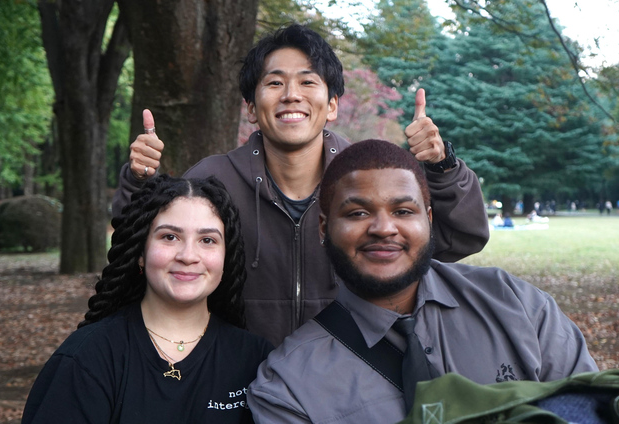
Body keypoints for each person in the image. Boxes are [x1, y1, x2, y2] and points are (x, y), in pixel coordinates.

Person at [112, 24, 489, 346]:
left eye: (308, 81)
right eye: (274, 82)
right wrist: (141, 182)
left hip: (355, 376)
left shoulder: (370, 176)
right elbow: (138, 254)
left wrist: (442, 167)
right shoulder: (212, 181)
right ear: (251, 107)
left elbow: (463, 237)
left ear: (332, 105)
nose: (291, 94)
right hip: (238, 381)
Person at [247, 140, 597, 424]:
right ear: (324, 228)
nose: (384, 228)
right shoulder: (290, 386)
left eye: (402, 211)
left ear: (428, 219)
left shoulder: (517, 307)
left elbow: (598, 409)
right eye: (357, 213)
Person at [22, 176, 273, 424]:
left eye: (207, 240)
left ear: (226, 258)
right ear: (140, 253)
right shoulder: (87, 358)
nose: (188, 256)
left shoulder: (256, 360)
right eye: (169, 237)